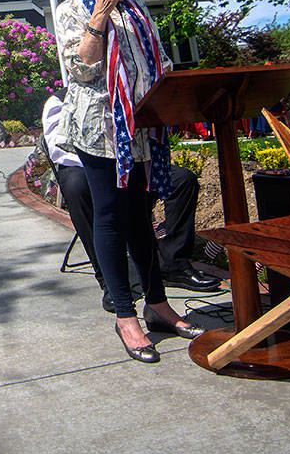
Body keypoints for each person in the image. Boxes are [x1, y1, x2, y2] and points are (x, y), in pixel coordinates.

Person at [54, 0, 205, 364]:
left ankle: (157, 305)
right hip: (98, 126)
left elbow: (154, 55)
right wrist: (99, 14)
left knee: (140, 214)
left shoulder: (135, 4)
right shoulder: (71, 10)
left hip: (140, 125)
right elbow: (81, 68)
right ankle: (125, 314)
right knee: (112, 216)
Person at [43, 92, 217, 313]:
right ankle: (109, 283)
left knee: (183, 180)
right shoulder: (59, 101)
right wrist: (104, 167)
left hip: (129, 162)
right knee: (76, 186)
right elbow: (60, 151)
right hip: (88, 168)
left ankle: (174, 263)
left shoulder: (122, 89)